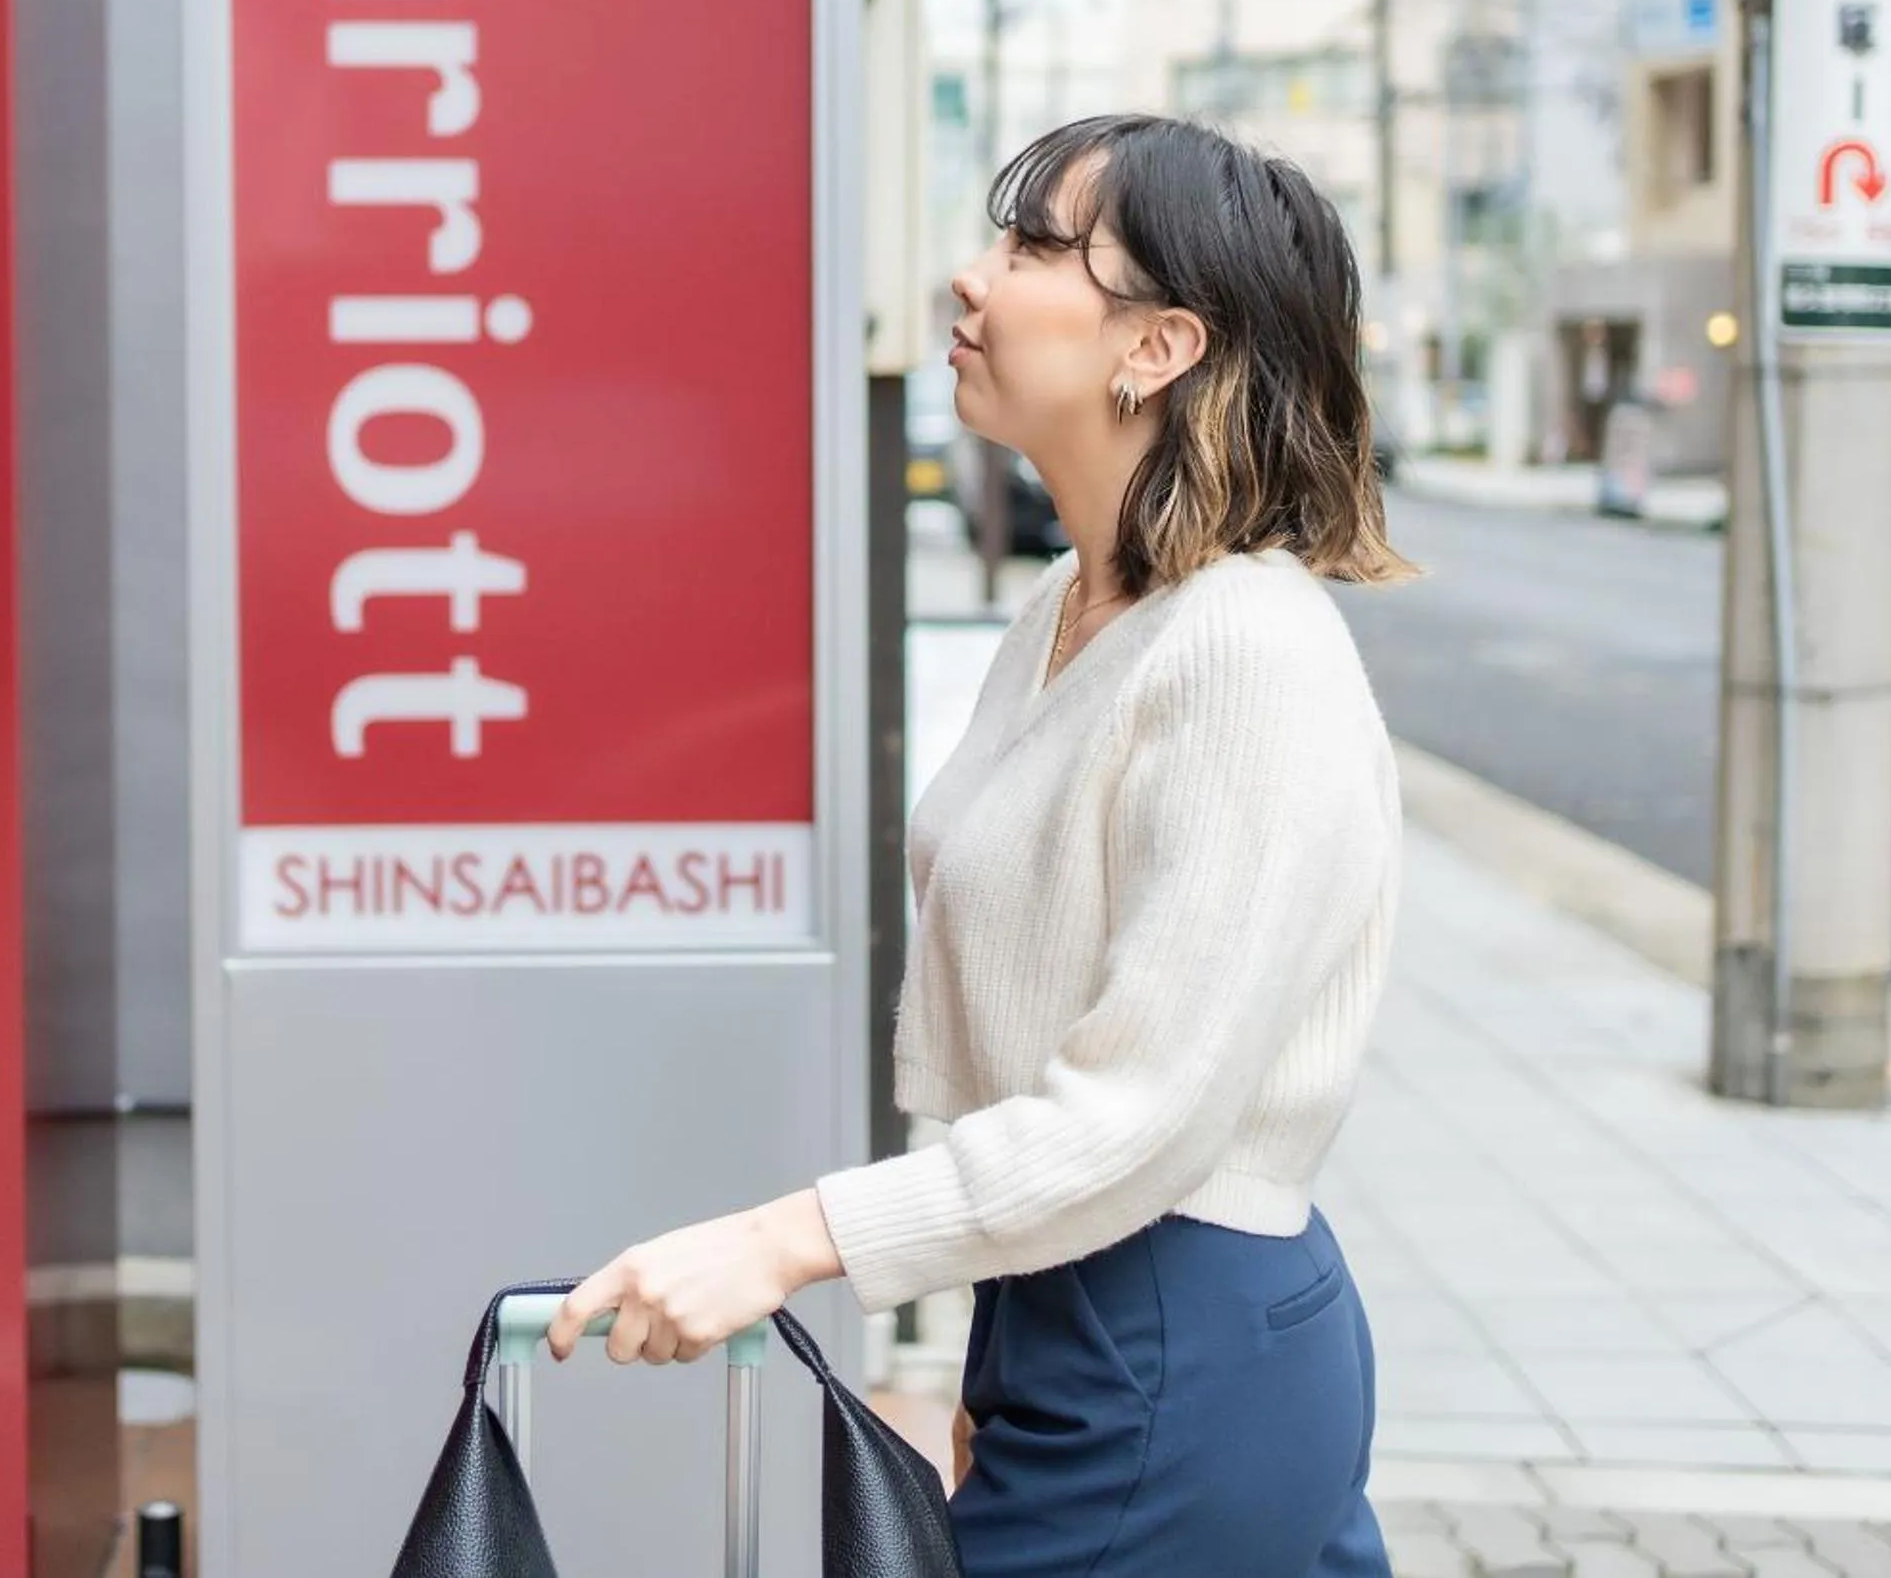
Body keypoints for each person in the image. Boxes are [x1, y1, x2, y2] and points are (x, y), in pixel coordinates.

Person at [544, 113, 1411, 1576]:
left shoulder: (1246, 651)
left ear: (1160, 347)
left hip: (1173, 1331)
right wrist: (992, 1343)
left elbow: (1138, 1116)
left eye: (1034, 248)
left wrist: (778, 1243)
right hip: (1078, 1308)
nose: (972, 278)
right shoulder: (1076, 612)